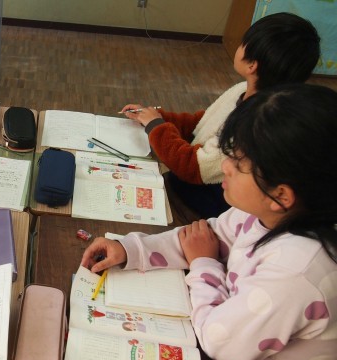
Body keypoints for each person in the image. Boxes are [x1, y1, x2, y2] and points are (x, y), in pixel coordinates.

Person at [82, 84, 337, 360]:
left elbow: (219, 343)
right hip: (215, 359)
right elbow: (205, 236)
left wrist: (204, 264)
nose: (225, 167)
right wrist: (131, 249)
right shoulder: (266, 213)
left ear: (281, 195)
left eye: (239, 163)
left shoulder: (298, 273)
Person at [121, 12, 320, 219]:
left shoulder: (257, 124)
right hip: (181, 182)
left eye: (243, 43)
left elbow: (192, 167)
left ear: (252, 65)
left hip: (198, 205)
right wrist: (157, 117)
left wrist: (156, 125)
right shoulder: (242, 89)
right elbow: (202, 123)